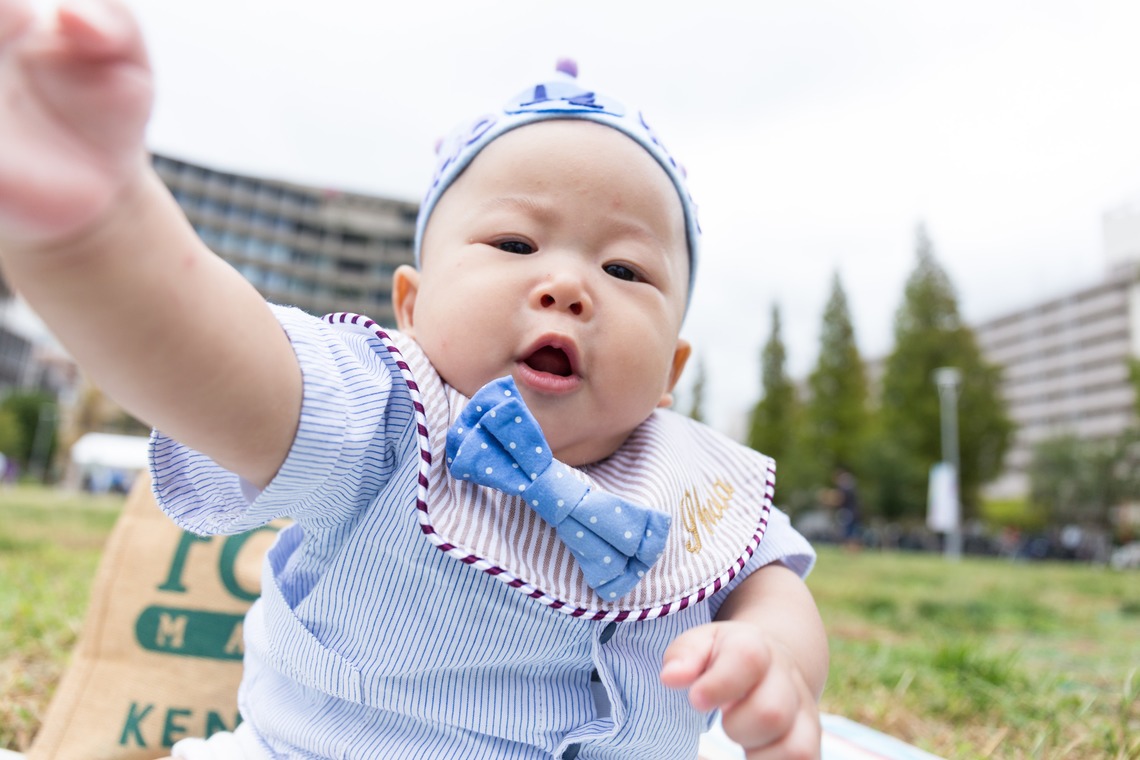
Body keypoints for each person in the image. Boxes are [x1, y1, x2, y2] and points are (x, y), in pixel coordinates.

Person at [0, 1, 829, 758]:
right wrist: (97, 232)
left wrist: (777, 657)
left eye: (624, 267)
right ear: (412, 304)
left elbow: (771, 587)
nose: (569, 286)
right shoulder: (386, 414)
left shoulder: (705, 488)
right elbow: (217, 361)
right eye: (514, 244)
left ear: (672, 371)